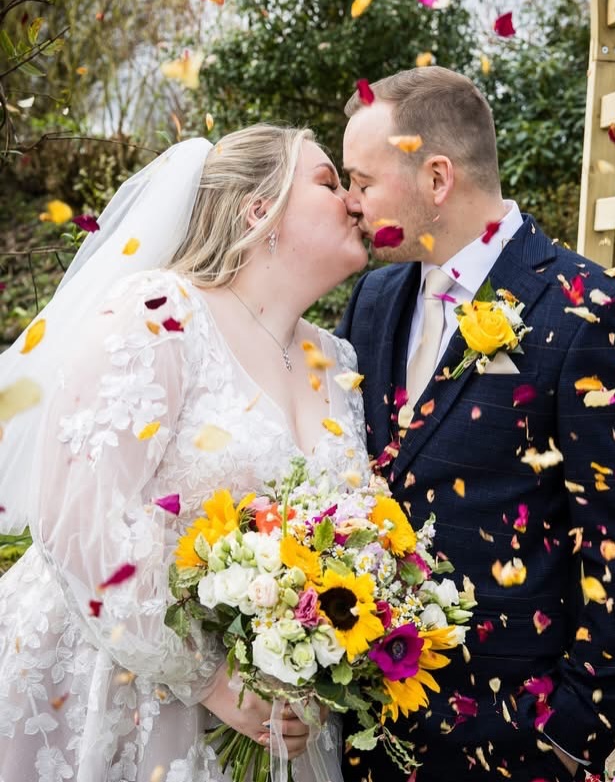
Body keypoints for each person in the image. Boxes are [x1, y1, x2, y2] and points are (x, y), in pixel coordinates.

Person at [337, 67, 615, 782]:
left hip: (514, 746)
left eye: (362, 181)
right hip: (371, 730)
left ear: (436, 179)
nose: (348, 202)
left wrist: (565, 737)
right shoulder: (373, 299)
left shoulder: (588, 309)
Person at [0, 125, 369, 782]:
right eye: (329, 182)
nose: (354, 202)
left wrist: (313, 663)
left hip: (287, 721)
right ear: (261, 209)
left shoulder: (336, 360)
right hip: (129, 690)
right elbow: (78, 519)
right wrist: (213, 680)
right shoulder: (159, 313)